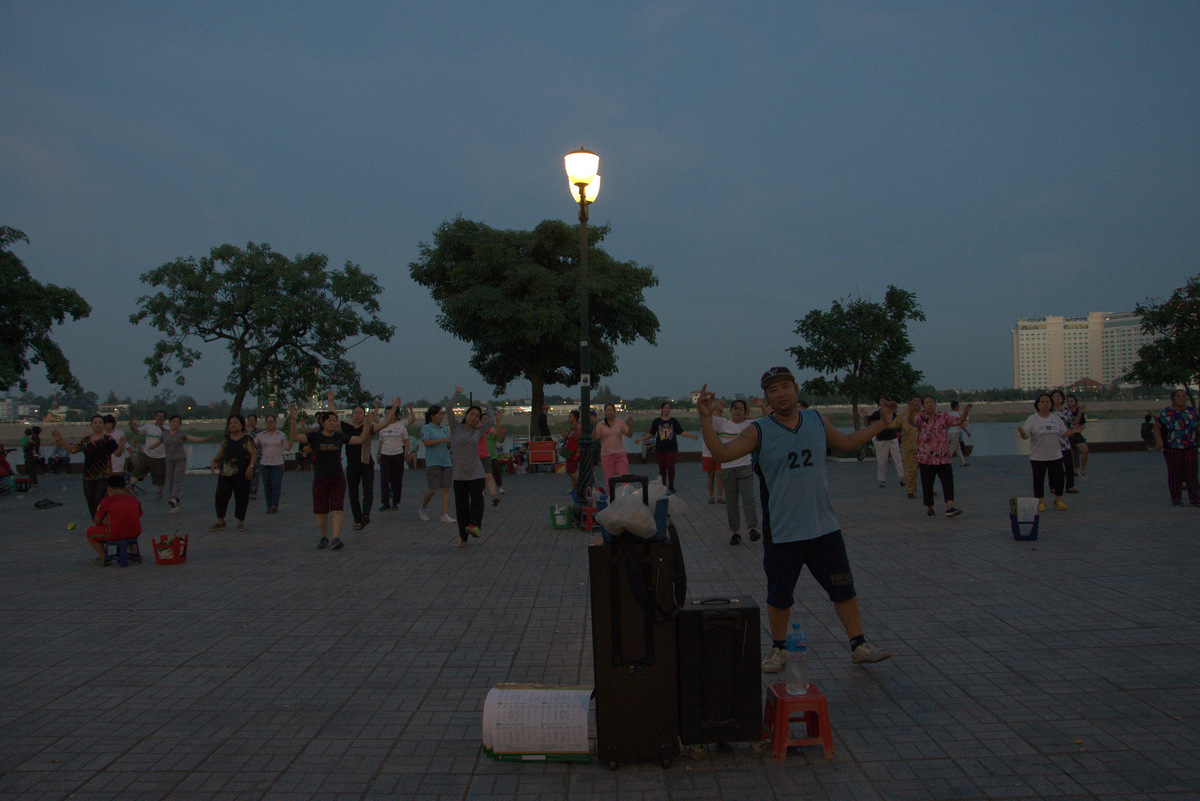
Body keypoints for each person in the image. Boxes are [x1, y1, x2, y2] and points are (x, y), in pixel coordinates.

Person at [698, 367, 893, 671]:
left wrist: (882, 424)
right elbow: (722, 454)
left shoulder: (815, 420)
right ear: (766, 397)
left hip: (823, 527)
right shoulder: (758, 430)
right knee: (779, 595)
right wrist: (704, 420)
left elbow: (848, 442)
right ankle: (778, 649)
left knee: (843, 588)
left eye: (785, 386)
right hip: (783, 530)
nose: (780, 393)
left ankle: (859, 644)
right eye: (773, 389)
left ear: (796, 389)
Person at [290, 403, 375, 549]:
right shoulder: (315, 436)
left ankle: (336, 538)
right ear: (323, 422)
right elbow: (295, 436)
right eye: (329, 420)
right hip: (320, 478)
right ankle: (324, 536)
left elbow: (360, 439)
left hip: (337, 479)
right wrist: (293, 419)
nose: (333, 423)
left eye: (335, 421)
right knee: (322, 512)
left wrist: (367, 423)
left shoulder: (340, 436)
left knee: (337, 510)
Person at [910, 396, 973, 517]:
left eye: (931, 402)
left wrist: (965, 412)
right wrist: (911, 411)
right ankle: (930, 508)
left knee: (948, 482)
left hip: (943, 457)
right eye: (926, 403)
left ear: (935, 403)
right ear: (923, 406)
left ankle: (950, 507)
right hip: (926, 458)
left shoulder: (943, 416)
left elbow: (958, 422)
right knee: (927, 484)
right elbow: (912, 422)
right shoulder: (921, 418)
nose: (929, 405)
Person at [1016, 393, 1080, 511]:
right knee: (1039, 479)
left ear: (1051, 404)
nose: (1045, 404)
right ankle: (1040, 502)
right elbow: (1026, 436)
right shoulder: (1032, 419)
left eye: (1048, 402)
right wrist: (1022, 433)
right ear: (1038, 404)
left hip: (1055, 455)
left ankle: (1058, 500)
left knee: (1059, 478)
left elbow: (1063, 434)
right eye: (1043, 402)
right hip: (1038, 457)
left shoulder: (1055, 418)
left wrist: (1072, 432)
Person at [447, 386, 492, 547]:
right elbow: (448, 408)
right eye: (471, 414)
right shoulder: (455, 428)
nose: (473, 418)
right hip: (459, 475)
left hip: (476, 473)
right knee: (461, 508)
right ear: (466, 415)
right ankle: (463, 537)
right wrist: (457, 393)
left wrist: (487, 406)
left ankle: (475, 526)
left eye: (477, 416)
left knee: (477, 501)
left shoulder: (478, 431)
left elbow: (491, 421)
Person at [52, 416, 119, 519]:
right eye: (95, 422)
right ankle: (97, 524)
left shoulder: (108, 439)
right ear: (91, 425)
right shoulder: (86, 441)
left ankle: (103, 521)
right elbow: (72, 450)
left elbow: (117, 453)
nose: (97, 424)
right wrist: (60, 439)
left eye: (100, 423)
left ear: (103, 425)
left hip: (104, 475)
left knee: (98, 498)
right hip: (88, 476)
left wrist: (122, 446)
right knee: (90, 501)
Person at [712, 398, 759, 544]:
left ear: (746, 412)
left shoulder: (749, 425)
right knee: (731, 502)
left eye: (741, 409)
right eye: (735, 408)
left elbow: (769, 419)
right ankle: (735, 532)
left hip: (744, 466)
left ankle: (752, 528)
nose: (738, 411)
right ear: (730, 410)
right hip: (727, 468)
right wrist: (715, 405)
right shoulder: (722, 423)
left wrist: (762, 405)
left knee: (748, 498)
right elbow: (705, 416)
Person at [330, 393, 375, 531]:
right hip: (352, 465)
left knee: (367, 490)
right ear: (352, 415)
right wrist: (331, 401)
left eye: (360, 413)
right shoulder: (347, 428)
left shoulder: (367, 427)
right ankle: (357, 520)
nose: (357, 415)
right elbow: (334, 419)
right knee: (353, 493)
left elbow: (384, 424)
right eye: (355, 413)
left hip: (366, 463)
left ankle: (365, 514)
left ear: (364, 415)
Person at [208, 414, 257, 532]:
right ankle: (220, 521)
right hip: (225, 474)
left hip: (242, 474)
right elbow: (221, 453)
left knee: (241, 497)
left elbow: (253, 454)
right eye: (230, 423)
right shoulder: (226, 439)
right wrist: (214, 460)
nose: (232, 425)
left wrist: (251, 466)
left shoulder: (246, 439)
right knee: (220, 497)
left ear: (241, 425)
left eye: (235, 423)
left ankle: (240, 522)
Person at [1152, 389, 1199, 507]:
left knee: (1192, 474)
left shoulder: (1193, 413)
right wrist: (1159, 441)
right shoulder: (1167, 413)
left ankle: (1195, 499)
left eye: (1184, 396)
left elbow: (1198, 428)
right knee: (1175, 474)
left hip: (1190, 446)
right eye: (1178, 396)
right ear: (1173, 399)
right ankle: (1176, 499)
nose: (1182, 398)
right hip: (1172, 447)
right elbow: (1157, 428)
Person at [84, 474, 143, 566]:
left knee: (90, 532)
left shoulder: (106, 501)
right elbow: (138, 515)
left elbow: (97, 521)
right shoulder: (134, 499)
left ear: (109, 490)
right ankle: (133, 551)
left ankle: (104, 558)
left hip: (114, 533)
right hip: (135, 532)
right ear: (125, 489)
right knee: (129, 524)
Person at [640, 402, 697, 493]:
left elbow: (680, 432)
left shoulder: (673, 421)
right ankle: (662, 486)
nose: (667, 410)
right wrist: (641, 439)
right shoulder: (657, 422)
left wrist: (691, 436)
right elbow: (651, 433)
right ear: (662, 409)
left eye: (669, 408)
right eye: (665, 408)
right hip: (660, 448)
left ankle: (671, 485)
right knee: (662, 467)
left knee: (670, 465)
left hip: (671, 447)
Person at [161, 414, 209, 514]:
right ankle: (175, 505)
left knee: (177, 479)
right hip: (169, 460)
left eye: (177, 422)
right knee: (170, 480)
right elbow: (155, 444)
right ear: (170, 423)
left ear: (179, 424)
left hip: (180, 459)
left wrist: (204, 439)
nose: (175, 424)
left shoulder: (181, 434)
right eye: (173, 422)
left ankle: (174, 498)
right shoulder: (164, 434)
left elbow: (193, 438)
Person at [377, 399, 416, 511]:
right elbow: (380, 442)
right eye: (387, 414)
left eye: (391, 413)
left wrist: (407, 453)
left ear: (396, 415)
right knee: (384, 479)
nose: (389, 416)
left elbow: (406, 441)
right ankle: (385, 502)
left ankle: (395, 502)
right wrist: (378, 454)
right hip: (385, 455)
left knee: (396, 479)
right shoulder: (382, 426)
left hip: (398, 455)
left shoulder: (400, 426)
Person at [419, 404, 455, 523]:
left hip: (446, 461)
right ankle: (423, 508)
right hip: (433, 462)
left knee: (445, 488)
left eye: (442, 414)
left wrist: (450, 443)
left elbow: (449, 442)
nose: (442, 416)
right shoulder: (426, 428)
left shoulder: (444, 428)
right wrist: (441, 440)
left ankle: (444, 514)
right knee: (433, 489)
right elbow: (426, 442)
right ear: (432, 416)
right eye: (439, 414)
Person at [254, 414, 290, 513]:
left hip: (277, 463)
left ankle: (275, 504)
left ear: (275, 423)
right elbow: (252, 445)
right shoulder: (261, 435)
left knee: (276, 484)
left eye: (272, 422)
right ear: (265, 423)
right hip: (265, 463)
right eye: (268, 422)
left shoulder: (281, 435)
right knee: (267, 485)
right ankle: (269, 505)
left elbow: (286, 447)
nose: (270, 424)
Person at [128, 410, 168, 500]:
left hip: (160, 457)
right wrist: (132, 427)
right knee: (137, 471)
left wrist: (161, 427)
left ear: (164, 419)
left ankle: (159, 493)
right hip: (146, 454)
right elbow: (138, 432)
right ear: (155, 417)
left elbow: (167, 434)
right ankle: (132, 485)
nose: (159, 418)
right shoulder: (148, 427)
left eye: (162, 417)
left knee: (160, 477)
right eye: (158, 416)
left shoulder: (167, 429)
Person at [593, 403, 634, 488]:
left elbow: (629, 435)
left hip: (620, 454)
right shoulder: (601, 425)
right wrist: (594, 425)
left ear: (614, 412)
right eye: (607, 411)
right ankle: (611, 498)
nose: (609, 412)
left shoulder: (620, 422)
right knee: (609, 479)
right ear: (604, 412)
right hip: (606, 455)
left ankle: (626, 495)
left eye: (611, 410)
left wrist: (630, 426)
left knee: (624, 476)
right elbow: (594, 438)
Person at [866, 397, 903, 488]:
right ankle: (882, 480)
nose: (882, 402)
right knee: (882, 460)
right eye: (881, 401)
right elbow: (870, 424)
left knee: (898, 458)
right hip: (882, 439)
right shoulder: (876, 414)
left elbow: (897, 425)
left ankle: (902, 477)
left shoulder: (892, 412)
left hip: (893, 438)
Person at [1049, 390, 1078, 495]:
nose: (1056, 398)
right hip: (1053, 442)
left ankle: (1070, 486)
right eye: (1054, 396)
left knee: (1069, 464)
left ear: (1062, 399)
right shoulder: (1049, 411)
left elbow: (1072, 422)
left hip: (1065, 442)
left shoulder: (1066, 410)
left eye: (1058, 396)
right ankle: (1053, 486)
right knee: (1054, 467)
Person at [896, 396, 921, 499]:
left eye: (918, 402)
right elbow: (892, 425)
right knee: (910, 470)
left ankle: (928, 489)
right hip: (908, 448)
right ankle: (910, 490)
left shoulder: (925, 416)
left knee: (927, 471)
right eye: (913, 402)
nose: (916, 403)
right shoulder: (903, 416)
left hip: (923, 448)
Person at [702, 400, 726, 503]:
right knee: (710, 474)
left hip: (720, 452)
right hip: (708, 452)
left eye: (721, 411)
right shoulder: (707, 421)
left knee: (720, 473)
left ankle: (720, 496)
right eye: (717, 410)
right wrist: (713, 405)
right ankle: (711, 496)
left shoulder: (723, 423)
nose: (719, 412)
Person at [485, 408, 508, 500]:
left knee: (495, 472)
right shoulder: (478, 431)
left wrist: (503, 434)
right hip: (481, 456)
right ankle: (482, 490)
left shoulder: (491, 431)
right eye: (483, 420)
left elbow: (500, 439)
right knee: (483, 474)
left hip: (492, 455)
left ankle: (500, 488)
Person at [1065, 395, 1090, 477]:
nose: (1069, 403)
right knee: (1070, 453)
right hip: (1067, 435)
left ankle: (1082, 470)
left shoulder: (1079, 411)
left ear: (1075, 402)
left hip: (1077, 435)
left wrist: (1080, 429)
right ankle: (1072, 470)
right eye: (1067, 401)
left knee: (1085, 450)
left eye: (1071, 401)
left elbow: (1083, 424)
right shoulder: (1064, 412)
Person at [102, 415, 128, 484]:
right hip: (106, 462)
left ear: (113, 424)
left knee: (117, 480)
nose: (107, 425)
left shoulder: (120, 433)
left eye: (109, 423)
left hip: (118, 460)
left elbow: (126, 446)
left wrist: (133, 457)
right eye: (105, 423)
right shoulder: (101, 434)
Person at [560, 410, 582, 491]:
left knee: (570, 472)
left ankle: (584, 483)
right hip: (569, 454)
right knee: (572, 471)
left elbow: (578, 436)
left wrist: (575, 429)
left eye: (570, 416)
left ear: (575, 418)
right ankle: (573, 489)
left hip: (574, 454)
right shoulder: (570, 428)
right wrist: (560, 428)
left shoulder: (578, 427)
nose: (568, 418)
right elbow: (565, 437)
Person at [245, 414, 263, 500]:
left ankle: (254, 493)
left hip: (257, 456)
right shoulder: (244, 432)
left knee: (256, 475)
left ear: (256, 421)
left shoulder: (260, 431)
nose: (251, 422)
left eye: (253, 420)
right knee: (248, 475)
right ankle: (248, 492)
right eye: (249, 420)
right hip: (247, 457)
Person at [947, 400, 970, 467]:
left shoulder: (949, 413)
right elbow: (961, 424)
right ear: (956, 406)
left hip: (951, 433)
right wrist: (967, 432)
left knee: (957, 448)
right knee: (952, 448)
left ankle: (963, 462)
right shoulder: (956, 414)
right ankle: (946, 461)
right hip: (955, 433)